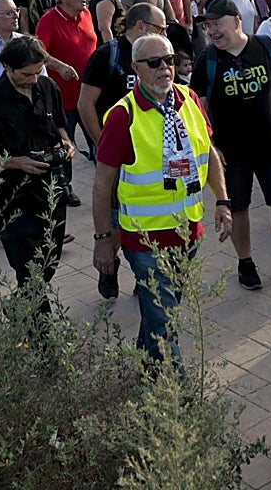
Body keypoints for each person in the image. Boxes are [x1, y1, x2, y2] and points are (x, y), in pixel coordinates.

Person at [91, 33, 232, 367]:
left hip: (188, 232)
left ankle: (147, 365)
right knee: (163, 316)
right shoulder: (122, 116)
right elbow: (101, 185)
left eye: (169, 59)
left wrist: (223, 201)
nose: (165, 68)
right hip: (145, 240)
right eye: (154, 63)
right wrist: (102, 239)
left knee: (161, 314)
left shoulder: (189, 99)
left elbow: (209, 154)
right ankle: (172, 387)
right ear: (136, 68)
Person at [192, 0, 271, 290]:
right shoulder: (207, 62)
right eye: (208, 26)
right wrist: (210, 146)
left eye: (217, 24)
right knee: (238, 209)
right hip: (232, 153)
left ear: (237, 22)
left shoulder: (264, 46)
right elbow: (199, 107)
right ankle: (246, 262)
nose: (212, 31)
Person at [0, 36, 76, 313]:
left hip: (52, 192)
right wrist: (19, 163)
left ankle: (19, 305)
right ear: (7, 67)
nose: (33, 79)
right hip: (14, 200)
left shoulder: (48, 87)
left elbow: (60, 128)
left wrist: (66, 144)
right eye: (27, 74)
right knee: (29, 269)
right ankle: (41, 334)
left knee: (49, 260)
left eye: (38, 71)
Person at [78, 2, 168, 298]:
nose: (165, 33)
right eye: (160, 27)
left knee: (146, 215)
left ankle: (146, 275)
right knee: (117, 218)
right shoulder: (107, 56)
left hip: (151, 155)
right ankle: (109, 264)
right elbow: (85, 104)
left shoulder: (159, 55)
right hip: (118, 155)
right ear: (140, 26)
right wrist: (104, 145)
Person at [34, 0, 95, 207]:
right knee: (64, 144)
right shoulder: (49, 20)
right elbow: (38, 52)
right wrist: (59, 66)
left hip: (89, 96)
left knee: (97, 139)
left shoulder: (87, 14)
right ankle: (64, 186)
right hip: (63, 100)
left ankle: (107, 180)